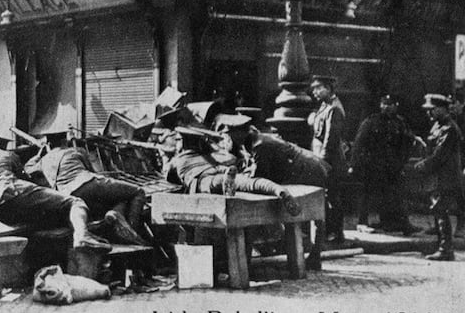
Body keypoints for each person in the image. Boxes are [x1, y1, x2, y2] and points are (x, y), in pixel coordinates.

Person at [0, 134, 110, 252]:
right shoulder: (8, 155)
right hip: (13, 190)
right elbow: (26, 177)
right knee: (75, 202)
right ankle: (82, 236)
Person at [28, 130, 148, 245]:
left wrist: (39, 153)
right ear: (65, 141)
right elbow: (91, 171)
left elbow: (28, 168)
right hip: (85, 182)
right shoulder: (76, 150)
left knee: (120, 197)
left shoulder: (43, 161)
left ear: (48, 144)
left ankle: (114, 214)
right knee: (137, 192)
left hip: (68, 195)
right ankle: (132, 231)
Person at [164, 126, 302, 216]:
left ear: (182, 142)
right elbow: (230, 157)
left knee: (211, 183)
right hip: (220, 169)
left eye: (178, 140)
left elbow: (168, 177)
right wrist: (211, 147)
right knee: (250, 183)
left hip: (201, 179)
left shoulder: (178, 160)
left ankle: (225, 182)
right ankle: (278, 190)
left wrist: (165, 156)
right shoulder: (208, 155)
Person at [349, 94, 420, 235]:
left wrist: (402, 160)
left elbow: (406, 141)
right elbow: (359, 143)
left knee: (395, 194)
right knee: (367, 194)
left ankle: (395, 223)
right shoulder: (371, 121)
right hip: (373, 165)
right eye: (384, 104)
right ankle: (362, 222)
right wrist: (355, 164)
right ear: (380, 105)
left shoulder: (400, 123)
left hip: (392, 166)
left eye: (390, 104)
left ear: (396, 106)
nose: (387, 107)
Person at [411, 94, 463, 261]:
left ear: (442, 109)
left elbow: (440, 155)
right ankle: (442, 246)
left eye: (432, 110)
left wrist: (423, 165)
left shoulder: (449, 129)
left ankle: (445, 249)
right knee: (438, 210)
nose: (429, 113)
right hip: (437, 177)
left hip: (445, 178)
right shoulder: (438, 126)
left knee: (441, 211)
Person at [308, 75, 347, 245]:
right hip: (323, 159)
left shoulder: (334, 109)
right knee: (328, 196)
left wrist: (322, 163)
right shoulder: (325, 107)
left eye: (318, 88)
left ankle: (336, 234)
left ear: (329, 89)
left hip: (330, 161)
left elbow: (330, 140)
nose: (314, 92)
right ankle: (330, 232)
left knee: (332, 197)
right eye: (314, 88)